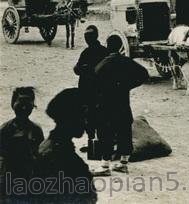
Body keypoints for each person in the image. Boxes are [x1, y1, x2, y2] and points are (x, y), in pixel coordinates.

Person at [93, 35, 149, 176]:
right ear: (119, 47)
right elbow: (144, 74)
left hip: (106, 104)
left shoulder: (102, 64)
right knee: (124, 130)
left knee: (105, 132)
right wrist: (127, 85)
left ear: (107, 46)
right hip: (123, 103)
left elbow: (95, 81)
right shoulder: (127, 61)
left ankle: (105, 165)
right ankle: (123, 164)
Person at [33, 88, 97, 203]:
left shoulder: (50, 147)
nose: (86, 122)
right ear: (71, 118)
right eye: (83, 115)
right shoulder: (62, 157)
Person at [0, 87, 44, 202]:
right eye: (21, 104)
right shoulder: (5, 129)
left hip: (29, 178)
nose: (24, 108)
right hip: (9, 177)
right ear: (13, 104)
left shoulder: (36, 130)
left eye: (28, 104)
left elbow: (40, 156)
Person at [73, 25, 107, 141]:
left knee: (90, 118)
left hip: (88, 91)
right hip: (101, 91)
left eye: (88, 36)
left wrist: (85, 68)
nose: (87, 39)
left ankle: (92, 142)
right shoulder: (104, 51)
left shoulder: (86, 53)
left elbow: (76, 70)